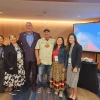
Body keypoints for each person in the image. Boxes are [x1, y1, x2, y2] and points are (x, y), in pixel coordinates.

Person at [18, 22, 40, 91]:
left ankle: (33, 84)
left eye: (29, 25)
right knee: (26, 71)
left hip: (34, 56)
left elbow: (40, 43)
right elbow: (18, 42)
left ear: (32, 27)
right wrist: (10, 42)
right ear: (25, 27)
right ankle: (28, 83)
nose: (28, 27)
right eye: (27, 25)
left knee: (34, 72)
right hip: (26, 56)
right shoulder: (21, 35)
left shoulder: (37, 35)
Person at [35, 29, 55, 93]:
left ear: (50, 33)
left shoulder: (53, 41)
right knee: (40, 74)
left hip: (50, 61)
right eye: (45, 33)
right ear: (43, 34)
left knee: (49, 75)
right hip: (41, 61)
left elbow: (59, 46)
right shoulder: (40, 40)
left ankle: (47, 86)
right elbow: (36, 49)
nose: (46, 33)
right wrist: (37, 58)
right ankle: (40, 86)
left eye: (47, 32)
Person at [66, 33, 82, 100]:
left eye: (72, 38)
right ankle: (72, 93)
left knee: (74, 82)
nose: (70, 39)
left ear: (74, 39)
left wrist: (76, 67)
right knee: (71, 81)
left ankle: (75, 94)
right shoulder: (69, 46)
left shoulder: (78, 46)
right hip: (69, 66)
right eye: (69, 38)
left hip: (75, 67)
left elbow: (79, 58)